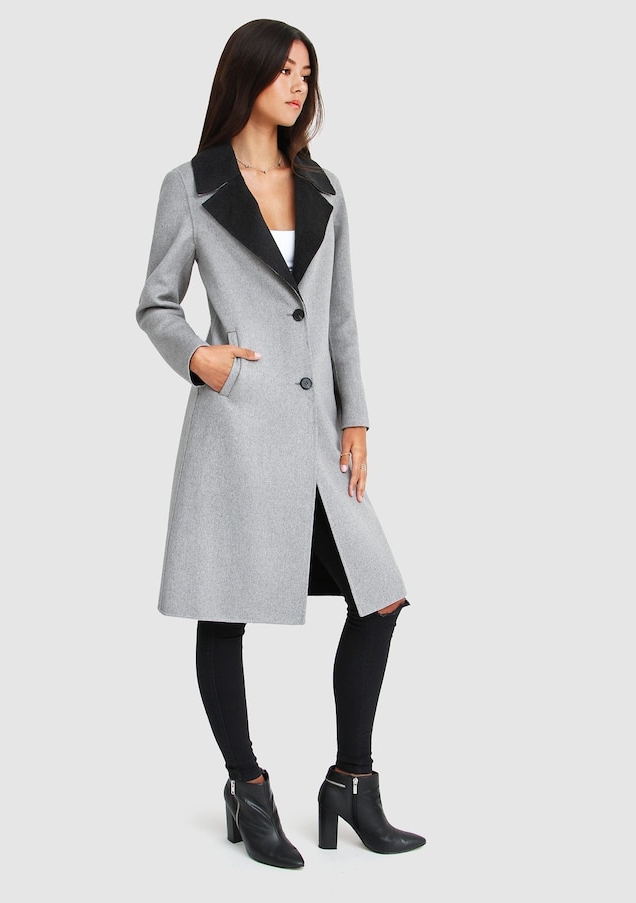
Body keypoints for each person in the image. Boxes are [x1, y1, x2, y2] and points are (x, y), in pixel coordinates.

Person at [136, 18, 425, 869]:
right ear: (248, 76)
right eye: (285, 70)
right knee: (224, 608)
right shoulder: (192, 185)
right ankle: (248, 784)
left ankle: (352, 781)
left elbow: (341, 318)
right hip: (234, 429)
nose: (300, 84)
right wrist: (200, 358)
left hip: (315, 435)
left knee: (379, 599)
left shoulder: (323, 187)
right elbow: (156, 301)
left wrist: (356, 417)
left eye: (308, 72)